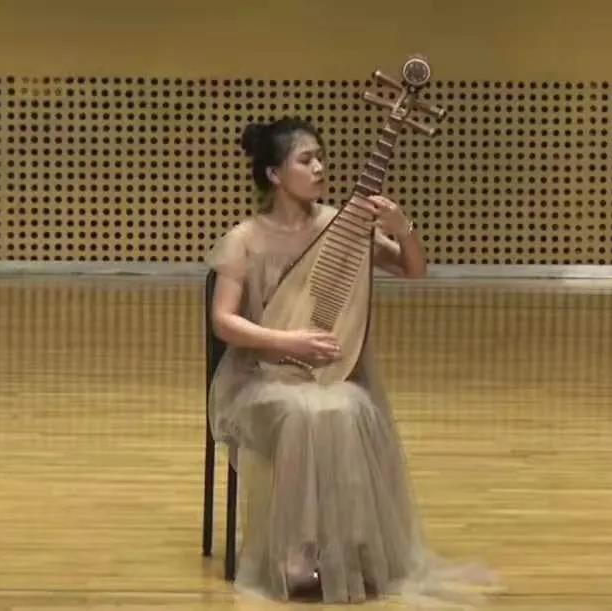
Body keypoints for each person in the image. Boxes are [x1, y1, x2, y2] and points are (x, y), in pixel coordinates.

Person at [206, 116, 492, 604]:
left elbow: (413, 270)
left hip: (331, 376)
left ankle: (346, 551)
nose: (320, 167)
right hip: (259, 378)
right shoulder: (245, 239)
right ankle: (296, 554)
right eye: (306, 160)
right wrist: (287, 341)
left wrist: (403, 229)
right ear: (274, 174)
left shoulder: (343, 227)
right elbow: (223, 321)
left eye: (321, 157)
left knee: (344, 406)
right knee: (303, 411)